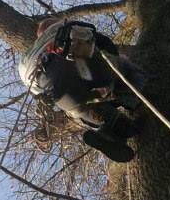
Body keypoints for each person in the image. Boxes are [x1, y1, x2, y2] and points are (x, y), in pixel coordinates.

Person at [19, 19, 146, 162]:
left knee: (84, 109)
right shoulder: (62, 26)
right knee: (127, 72)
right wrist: (113, 64)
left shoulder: (26, 61)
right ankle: (138, 100)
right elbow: (105, 43)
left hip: (52, 83)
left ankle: (111, 132)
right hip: (80, 57)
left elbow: (42, 96)